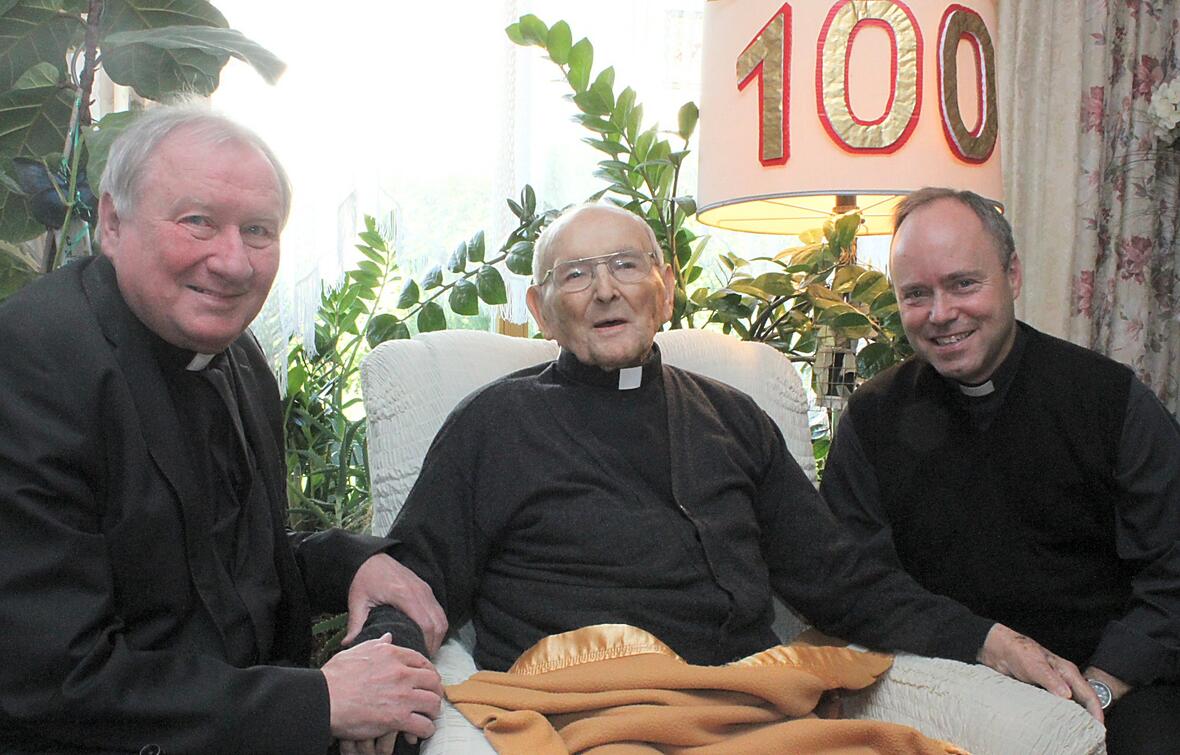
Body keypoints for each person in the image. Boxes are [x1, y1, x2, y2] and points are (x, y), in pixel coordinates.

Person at [365, 202, 1103, 717]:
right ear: (540, 308)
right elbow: (413, 577)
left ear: (666, 289)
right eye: (577, 274)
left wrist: (986, 639)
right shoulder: (492, 424)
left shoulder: (732, 416)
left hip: (745, 705)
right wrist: (377, 662)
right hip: (580, 710)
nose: (607, 290)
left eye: (626, 265)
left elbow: (840, 580)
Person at [0, 104, 448, 754]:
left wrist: (349, 564)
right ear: (112, 222)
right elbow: (50, 680)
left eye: (258, 230)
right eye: (198, 222)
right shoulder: (30, 363)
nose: (234, 263)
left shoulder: (236, 354)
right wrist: (319, 702)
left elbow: (213, 566)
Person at [821, 187, 1180, 754]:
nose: (941, 314)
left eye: (964, 283)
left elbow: (1171, 573)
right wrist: (984, 642)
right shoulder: (872, 418)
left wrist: (1097, 689)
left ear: (1012, 275)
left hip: (1116, 677)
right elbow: (854, 584)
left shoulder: (1110, 401)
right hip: (951, 677)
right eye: (916, 294)